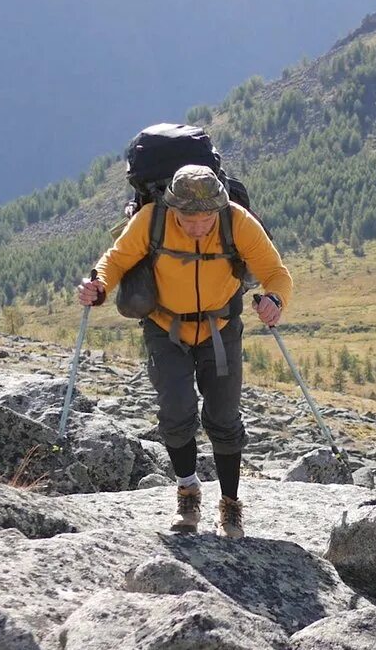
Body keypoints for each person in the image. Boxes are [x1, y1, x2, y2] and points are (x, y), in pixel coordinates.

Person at [77, 164, 292, 538]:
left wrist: (274, 299)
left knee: (224, 420)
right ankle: (188, 493)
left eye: (205, 218)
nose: (196, 226)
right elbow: (116, 259)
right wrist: (97, 284)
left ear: (219, 208)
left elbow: (276, 272)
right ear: (172, 206)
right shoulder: (151, 219)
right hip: (165, 327)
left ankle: (230, 506)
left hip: (220, 328)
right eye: (187, 218)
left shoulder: (236, 222)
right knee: (176, 414)